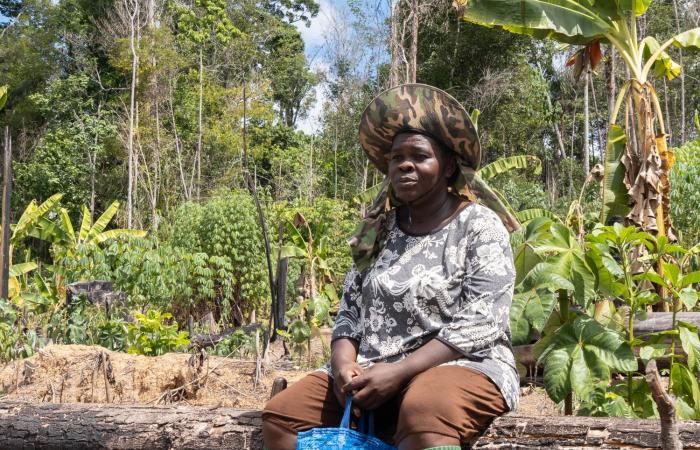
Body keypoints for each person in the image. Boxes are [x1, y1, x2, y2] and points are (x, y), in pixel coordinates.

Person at [262, 84, 519, 450]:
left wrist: (399, 373)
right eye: (397, 158)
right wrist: (343, 369)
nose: (405, 165)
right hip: (374, 369)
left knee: (424, 411)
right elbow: (349, 314)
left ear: (447, 167)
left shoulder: (478, 225)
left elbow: (482, 322)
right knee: (283, 416)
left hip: (464, 366)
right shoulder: (378, 232)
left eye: (419, 156)